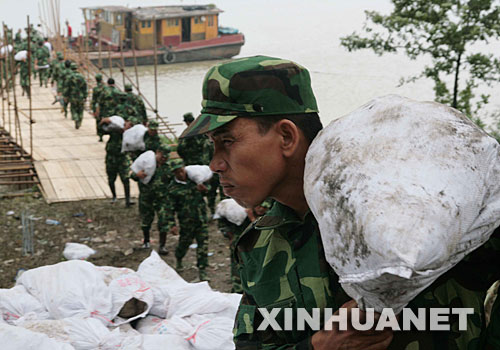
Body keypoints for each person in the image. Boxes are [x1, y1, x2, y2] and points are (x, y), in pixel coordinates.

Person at [179, 55, 500, 349]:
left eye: (227, 142)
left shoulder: (417, 212)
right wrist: (320, 346)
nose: (215, 164)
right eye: (213, 146)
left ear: (286, 137)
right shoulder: (258, 246)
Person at [167, 159, 210, 281]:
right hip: (186, 222)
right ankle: (179, 258)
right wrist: (172, 224)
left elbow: (208, 192)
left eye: (181, 170)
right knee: (184, 243)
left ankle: (202, 270)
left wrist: (205, 190)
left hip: (201, 219)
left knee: (203, 245)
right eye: (177, 172)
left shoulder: (195, 180)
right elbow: (169, 208)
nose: (180, 174)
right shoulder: (173, 189)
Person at [132, 143, 173, 253]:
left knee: (163, 221)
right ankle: (146, 241)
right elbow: (132, 175)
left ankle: (162, 245)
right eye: (162, 156)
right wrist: (137, 175)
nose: (164, 159)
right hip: (146, 198)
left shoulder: (168, 167)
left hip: (162, 199)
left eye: (166, 157)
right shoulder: (147, 163)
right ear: (158, 153)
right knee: (146, 220)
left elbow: (172, 181)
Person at [100, 116, 132, 207]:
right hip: (111, 157)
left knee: (125, 179)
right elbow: (101, 131)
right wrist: (102, 122)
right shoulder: (113, 130)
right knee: (111, 178)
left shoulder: (128, 133)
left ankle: (128, 200)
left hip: (122, 157)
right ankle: (114, 196)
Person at [63, 63, 87, 129]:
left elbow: (66, 88)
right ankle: (79, 120)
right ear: (77, 68)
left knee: (73, 108)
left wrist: (65, 96)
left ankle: (75, 118)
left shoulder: (69, 77)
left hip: (72, 96)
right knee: (80, 109)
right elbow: (85, 87)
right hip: (81, 96)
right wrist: (85, 96)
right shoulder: (81, 76)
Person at [91, 74, 106, 141]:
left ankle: (100, 136)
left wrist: (93, 109)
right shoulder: (105, 88)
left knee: (98, 120)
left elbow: (94, 100)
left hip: (98, 107)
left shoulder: (95, 89)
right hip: (105, 106)